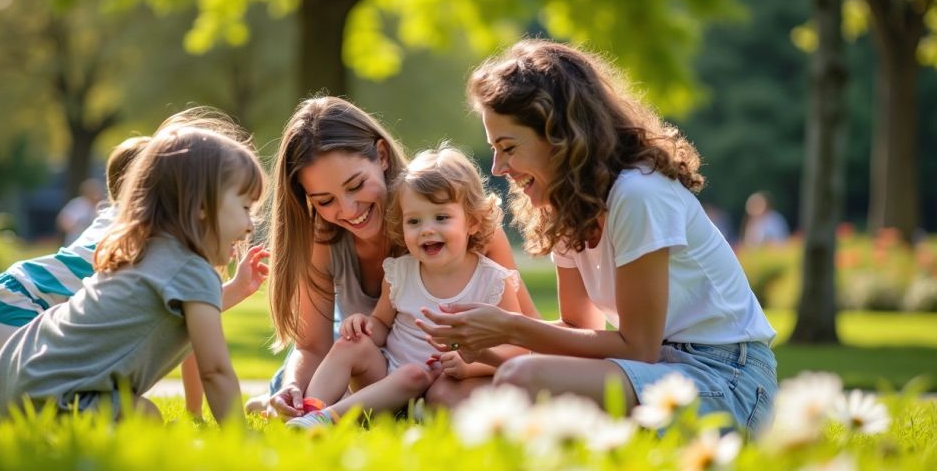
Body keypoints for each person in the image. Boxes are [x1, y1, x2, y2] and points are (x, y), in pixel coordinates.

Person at [418, 39, 778, 436]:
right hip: (651, 369)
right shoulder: (566, 206)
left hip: (724, 377)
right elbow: (577, 325)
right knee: (452, 393)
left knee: (519, 379)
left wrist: (509, 329)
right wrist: (486, 351)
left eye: (508, 148)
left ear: (559, 135)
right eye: (494, 149)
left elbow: (637, 345)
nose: (499, 167)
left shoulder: (639, 194)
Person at [256, 96, 540, 418]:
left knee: (448, 397)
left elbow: (527, 331)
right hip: (358, 367)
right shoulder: (323, 240)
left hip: (434, 377)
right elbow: (311, 347)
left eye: (356, 185)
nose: (348, 210)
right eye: (324, 201)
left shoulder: (462, 226)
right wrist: (291, 386)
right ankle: (276, 392)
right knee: (308, 376)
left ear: (381, 156)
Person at [0, 108, 269, 424]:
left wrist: (237, 288)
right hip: (53, 396)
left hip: (13, 375)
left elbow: (182, 316)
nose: (249, 225)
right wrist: (240, 436)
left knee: (136, 408)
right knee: (145, 416)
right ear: (202, 206)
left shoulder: (141, 248)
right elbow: (215, 370)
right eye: (245, 207)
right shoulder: (192, 268)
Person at [0, 136, 163, 422]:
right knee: (110, 407)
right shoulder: (142, 231)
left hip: (8, 294)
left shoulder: (104, 217)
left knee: (13, 368)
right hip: (24, 307)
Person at [286, 145, 523, 428]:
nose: (426, 229)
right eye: (414, 221)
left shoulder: (493, 280)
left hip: (444, 383)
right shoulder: (400, 272)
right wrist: (364, 325)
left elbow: (518, 348)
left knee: (415, 376)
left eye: (441, 217)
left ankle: (332, 417)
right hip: (386, 376)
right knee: (351, 343)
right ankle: (308, 411)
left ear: (471, 221)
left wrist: (471, 366)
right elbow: (382, 325)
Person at [57, 178, 104, 245]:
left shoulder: (102, 207)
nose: (96, 195)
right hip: (75, 243)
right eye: (92, 192)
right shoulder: (77, 204)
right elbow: (63, 222)